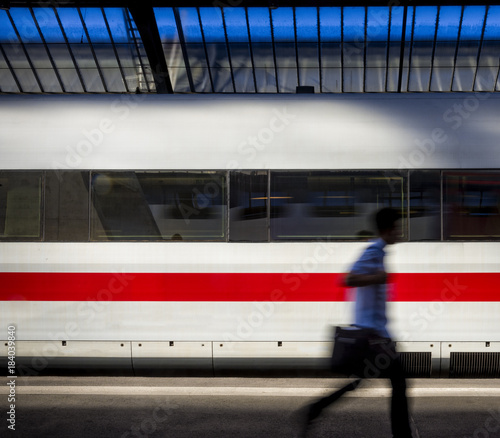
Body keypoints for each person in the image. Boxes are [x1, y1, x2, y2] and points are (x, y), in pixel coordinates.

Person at [297, 207, 413, 438]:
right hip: (373, 336)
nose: (400, 232)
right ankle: (402, 435)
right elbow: (348, 278)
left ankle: (315, 409)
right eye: (398, 227)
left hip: (377, 334)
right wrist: (377, 278)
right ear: (388, 229)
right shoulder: (373, 251)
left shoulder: (380, 253)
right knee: (398, 383)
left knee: (365, 381)